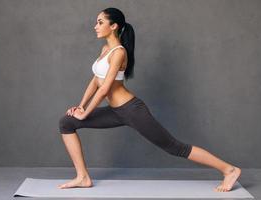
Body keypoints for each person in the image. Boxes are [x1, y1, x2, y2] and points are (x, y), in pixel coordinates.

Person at [57, 7, 241, 192]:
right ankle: (82, 177)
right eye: (96, 22)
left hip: (131, 110)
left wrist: (85, 114)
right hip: (115, 112)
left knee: (175, 147)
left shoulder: (119, 52)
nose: (95, 26)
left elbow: (105, 89)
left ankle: (229, 170)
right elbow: (96, 80)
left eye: (100, 22)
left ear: (114, 26)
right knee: (67, 122)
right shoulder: (105, 49)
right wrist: (80, 107)